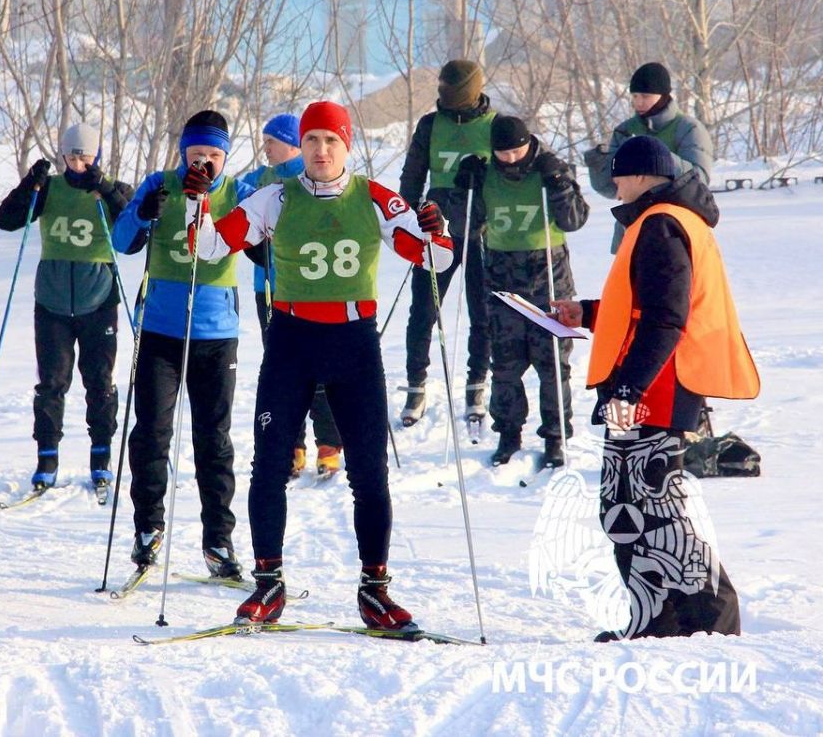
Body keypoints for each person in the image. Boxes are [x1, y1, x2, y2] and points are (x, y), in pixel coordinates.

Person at [189, 101, 454, 629]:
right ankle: (268, 584)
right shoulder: (276, 196)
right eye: (312, 139)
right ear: (302, 146)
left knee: (369, 472)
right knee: (270, 465)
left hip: (354, 342)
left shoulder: (374, 197)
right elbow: (210, 248)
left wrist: (436, 227)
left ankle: (375, 591)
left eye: (331, 140)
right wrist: (197, 203)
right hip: (292, 340)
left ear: (346, 146)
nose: (321, 150)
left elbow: (436, 258)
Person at [553, 135, 758, 641]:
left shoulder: (661, 224)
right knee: (630, 507)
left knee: (651, 509)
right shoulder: (664, 220)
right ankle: (660, 621)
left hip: (656, 387)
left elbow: (666, 318)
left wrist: (628, 391)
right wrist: (589, 313)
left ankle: (711, 620)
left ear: (642, 175)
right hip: (654, 383)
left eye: (618, 177)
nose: (614, 186)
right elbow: (645, 306)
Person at [110, 110, 253, 580]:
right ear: (182, 153)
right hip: (160, 330)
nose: (205, 163)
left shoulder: (237, 192)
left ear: (225, 157)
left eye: (214, 154)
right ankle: (147, 530)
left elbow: (264, 241)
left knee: (214, 440)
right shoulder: (160, 184)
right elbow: (120, 240)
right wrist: (142, 214)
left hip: (216, 332)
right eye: (197, 154)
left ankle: (219, 541)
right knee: (152, 433)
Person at [0, 123, 133, 490]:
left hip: (98, 300)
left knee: (99, 381)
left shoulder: (112, 188)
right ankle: (47, 455)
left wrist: (106, 189)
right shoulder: (49, 188)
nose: (78, 163)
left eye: (85, 156)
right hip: (52, 301)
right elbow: (5, 221)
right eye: (72, 156)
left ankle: (101, 454)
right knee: (52, 382)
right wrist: (29, 184)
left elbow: (135, 233)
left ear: (97, 155)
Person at [454, 116, 588, 467]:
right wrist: (463, 188)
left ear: (529, 144)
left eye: (518, 151)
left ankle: (556, 435)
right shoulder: (486, 174)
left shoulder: (549, 169)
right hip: (503, 278)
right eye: (504, 153)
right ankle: (508, 433)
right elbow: (465, 227)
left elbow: (574, 220)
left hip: (548, 277)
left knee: (553, 364)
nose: (511, 159)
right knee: (506, 365)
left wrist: (558, 183)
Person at [239, 114, 342, 478]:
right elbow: (233, 200)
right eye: (264, 140)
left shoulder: (312, 175)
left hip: (311, 287)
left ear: (293, 144)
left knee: (319, 368)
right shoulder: (257, 179)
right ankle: (292, 445)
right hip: (268, 287)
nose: (265, 147)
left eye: (272, 141)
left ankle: (329, 443)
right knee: (283, 371)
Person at [398, 59, 496, 428]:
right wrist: (407, 220)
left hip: (481, 229)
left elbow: (510, 171)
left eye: (453, 90)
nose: (446, 96)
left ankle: (476, 383)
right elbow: (412, 175)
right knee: (423, 310)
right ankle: (416, 385)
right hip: (437, 230)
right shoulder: (430, 125)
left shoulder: (494, 125)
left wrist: (487, 177)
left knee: (482, 311)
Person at [583, 62, 713, 252]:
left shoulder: (688, 129)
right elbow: (612, 190)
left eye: (645, 96)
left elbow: (699, 180)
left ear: (663, 95)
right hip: (630, 227)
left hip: (673, 228)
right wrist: (598, 164)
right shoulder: (626, 130)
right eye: (635, 96)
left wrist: (654, 155)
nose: (639, 102)